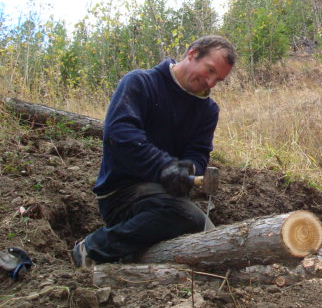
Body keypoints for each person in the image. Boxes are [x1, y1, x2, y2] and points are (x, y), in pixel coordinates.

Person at [72, 35, 236, 267]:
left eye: (218, 79)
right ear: (192, 54)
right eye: (209, 70)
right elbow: (121, 136)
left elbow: (198, 153)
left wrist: (188, 169)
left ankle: (135, 255)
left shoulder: (208, 110)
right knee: (188, 217)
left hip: (166, 197)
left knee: (211, 239)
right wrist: (165, 167)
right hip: (122, 194)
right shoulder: (140, 82)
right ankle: (92, 249)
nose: (210, 82)